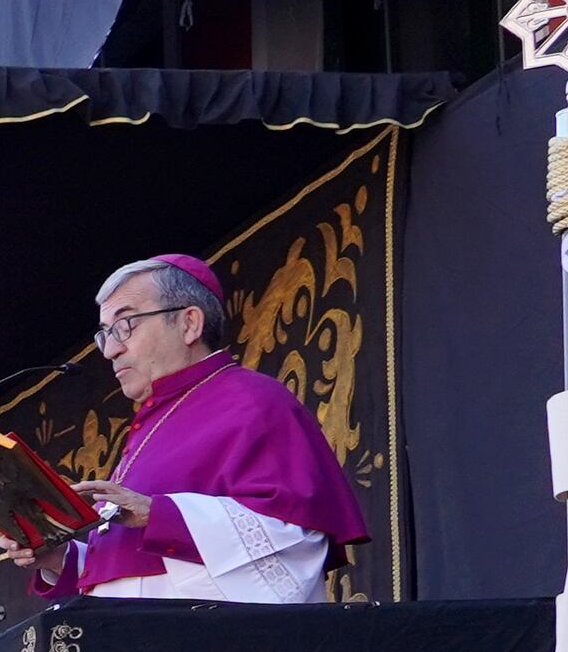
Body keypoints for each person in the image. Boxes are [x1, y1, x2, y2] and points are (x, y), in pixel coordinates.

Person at [25, 254, 369, 604]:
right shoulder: (153, 419)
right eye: (105, 334)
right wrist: (56, 557)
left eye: (125, 325)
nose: (111, 350)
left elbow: (295, 539)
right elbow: (129, 573)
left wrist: (158, 514)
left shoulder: (254, 401)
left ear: (189, 323)